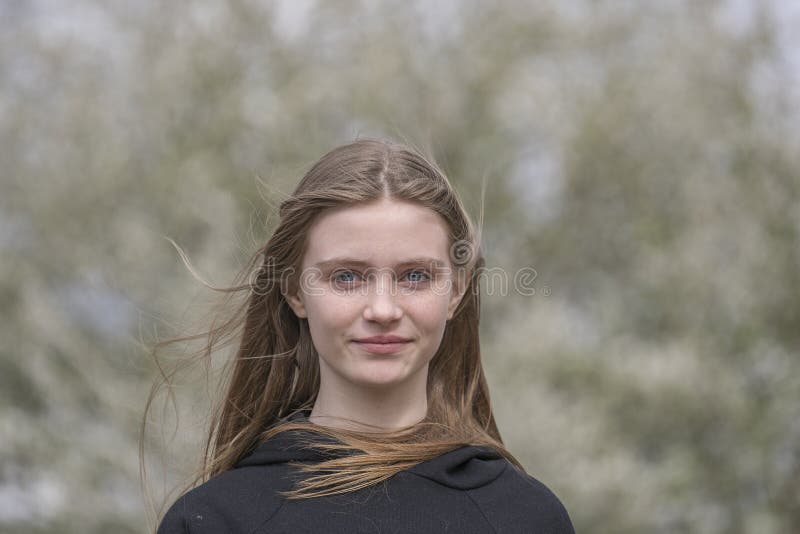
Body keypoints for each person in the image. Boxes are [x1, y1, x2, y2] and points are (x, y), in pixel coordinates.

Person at [151, 138, 575, 533]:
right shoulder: (217, 521)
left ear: (456, 292)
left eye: (415, 276)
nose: (383, 310)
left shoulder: (524, 517)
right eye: (347, 277)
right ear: (295, 291)